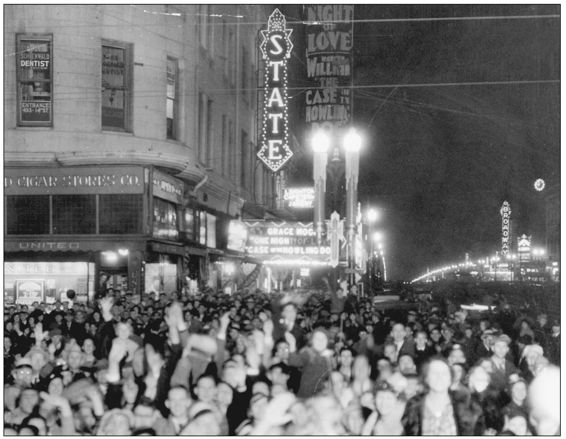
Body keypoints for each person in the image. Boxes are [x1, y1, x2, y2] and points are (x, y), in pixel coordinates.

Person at [402, 357, 484, 435]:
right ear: (426, 378)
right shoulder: (413, 406)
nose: (439, 377)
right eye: (434, 373)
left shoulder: (468, 404)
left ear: (450, 379)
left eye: (444, 373)